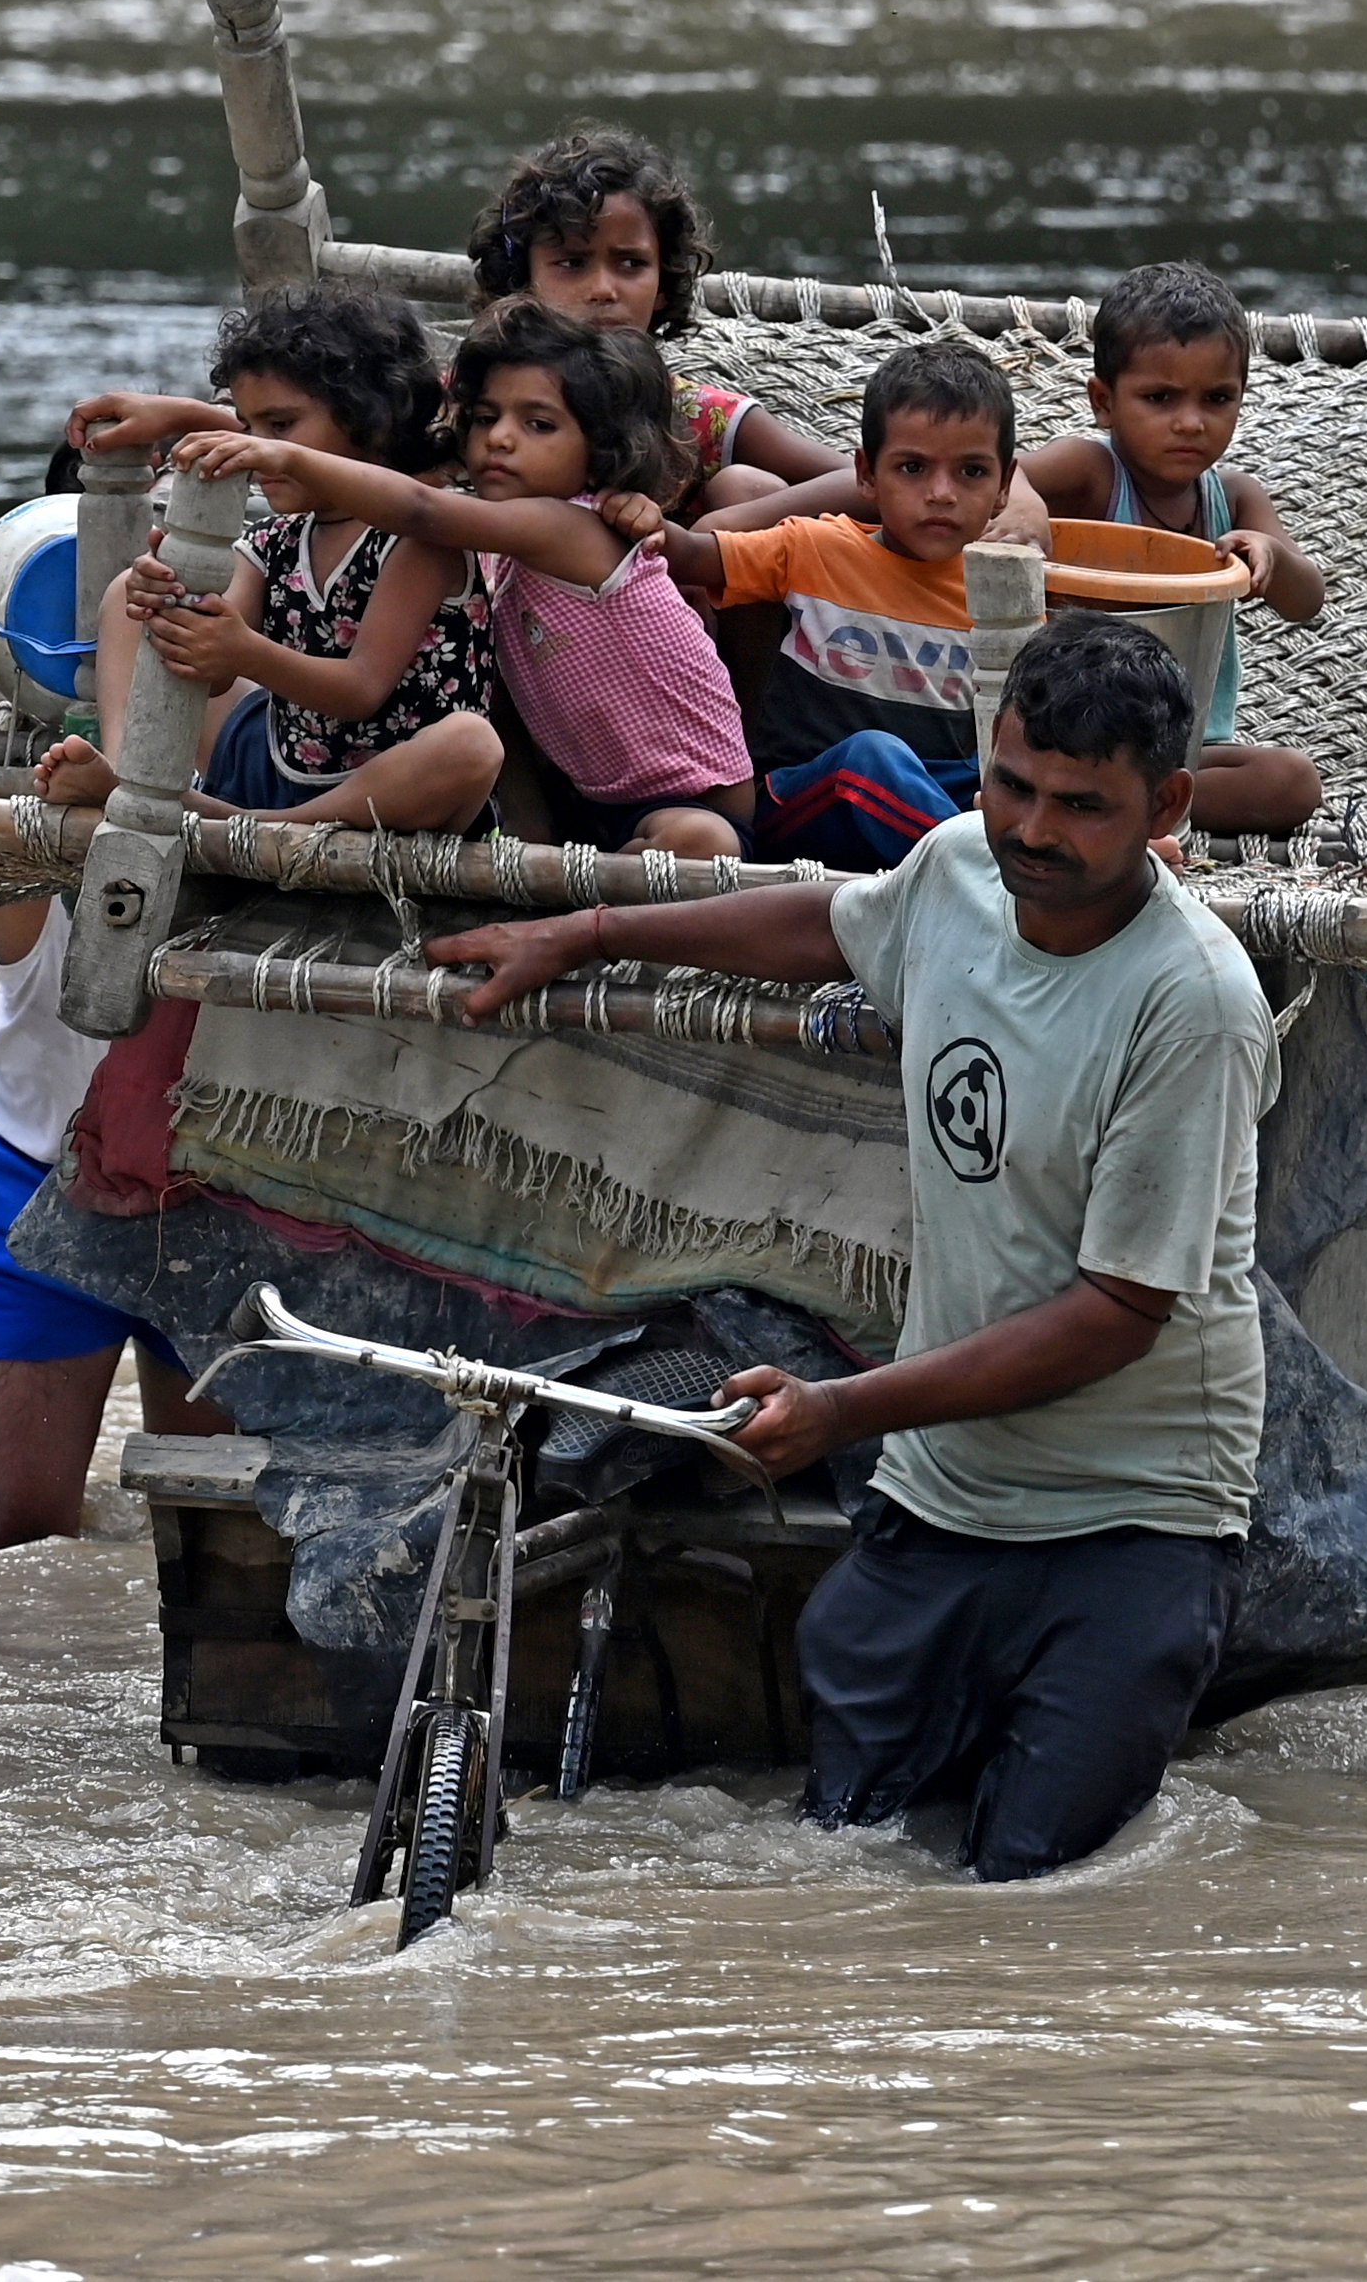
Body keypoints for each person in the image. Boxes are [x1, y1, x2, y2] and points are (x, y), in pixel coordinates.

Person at [449, 614, 1276, 1878]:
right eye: (1012, 785)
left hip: (1133, 1513)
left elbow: (1117, 1312)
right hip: (945, 1491)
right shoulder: (958, 867)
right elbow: (835, 924)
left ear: (1166, 806)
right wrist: (589, 931)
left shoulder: (1193, 1004)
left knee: (1037, 1886)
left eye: (1081, 806)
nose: (1033, 830)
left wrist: (841, 1408)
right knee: (842, 1859)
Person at [157, 295, 756, 860]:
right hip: (582, 794)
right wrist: (186, 417)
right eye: (486, 418)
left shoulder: (571, 526)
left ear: (600, 448)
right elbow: (390, 449)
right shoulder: (495, 536)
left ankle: (264, 826)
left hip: (689, 799)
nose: (500, 438)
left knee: (701, 842)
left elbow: (418, 508)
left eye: (539, 425)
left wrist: (287, 458)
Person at [32, 282, 503, 834]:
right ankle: (129, 780)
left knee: (471, 744)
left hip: (388, 793)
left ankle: (248, 823)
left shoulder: (418, 538)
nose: (256, 449)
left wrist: (244, 651)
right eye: (248, 426)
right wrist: (175, 610)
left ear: (369, 416)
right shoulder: (275, 541)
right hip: (278, 762)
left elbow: (360, 689)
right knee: (123, 598)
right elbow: (209, 675)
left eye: (279, 427)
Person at [609, 340, 1010, 870]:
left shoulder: (1003, 594)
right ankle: (983, 873)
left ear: (1004, 485)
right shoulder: (814, 547)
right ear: (866, 474)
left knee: (999, 777)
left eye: (971, 472)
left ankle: (980, 859)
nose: (941, 493)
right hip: (803, 798)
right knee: (872, 758)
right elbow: (695, 556)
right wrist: (643, 520)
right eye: (912, 468)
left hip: (928, 798)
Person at [0, 895, 230, 1547]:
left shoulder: (283, 848)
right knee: (9, 1544)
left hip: (234, 1200)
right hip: (33, 1187)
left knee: (218, 1541)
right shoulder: (36, 879)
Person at [1017, 262, 1327, 835]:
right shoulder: (1091, 472)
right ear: (1104, 402)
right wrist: (1025, 506)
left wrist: (1271, 554)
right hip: (1068, 734)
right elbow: (998, 473)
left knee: (1292, 781)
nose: (1190, 423)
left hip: (1185, 747)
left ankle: (1119, 805)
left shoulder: (1234, 497)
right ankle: (1112, 804)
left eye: (1217, 399)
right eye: (1160, 398)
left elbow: (1307, 600)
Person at [464, 125, 847, 522]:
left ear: (663, 282)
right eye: (572, 263)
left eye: (631, 264)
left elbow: (860, 481)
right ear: (521, 278)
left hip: (679, 561)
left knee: (745, 486)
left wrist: (714, 534)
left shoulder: (699, 417)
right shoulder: (482, 403)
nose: (603, 289)